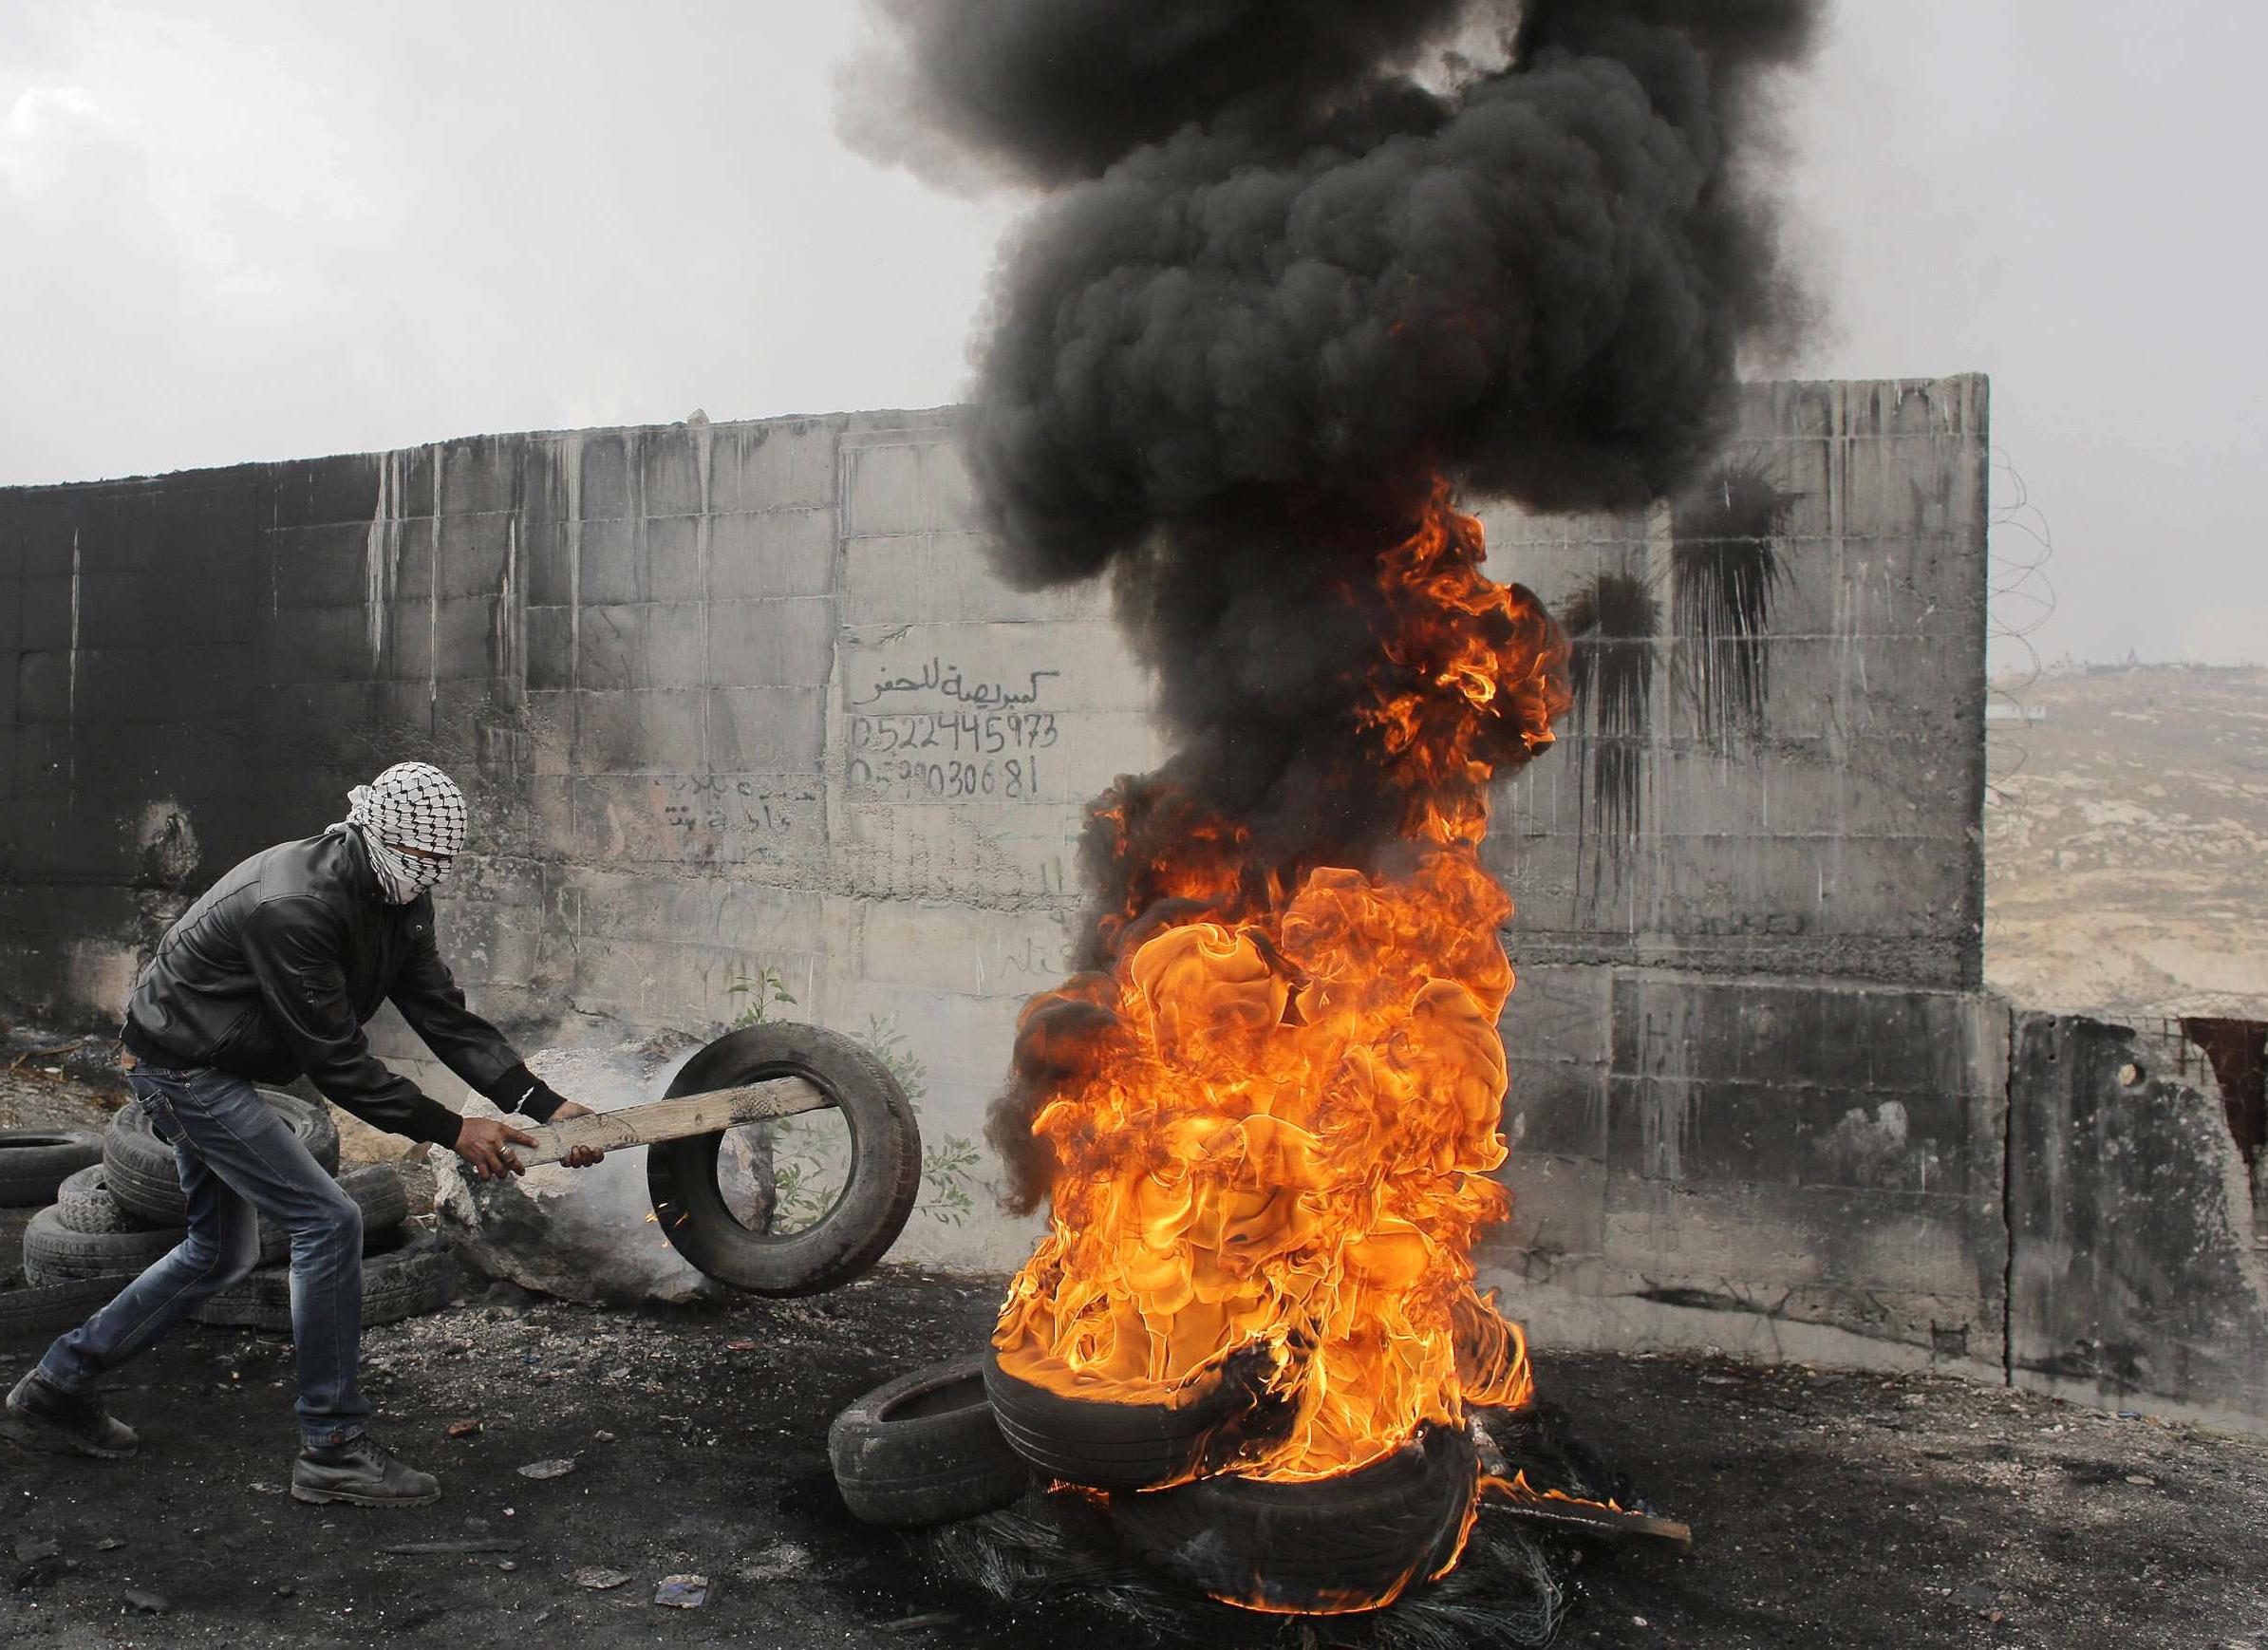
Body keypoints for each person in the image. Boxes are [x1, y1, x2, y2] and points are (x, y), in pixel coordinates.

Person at [2, 761, 604, 1507]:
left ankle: (55, 1390)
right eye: (422, 866)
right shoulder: (293, 905)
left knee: (221, 1251)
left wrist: (544, 1104)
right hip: (183, 1067)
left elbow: (440, 1013)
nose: (431, 881)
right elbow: (338, 1064)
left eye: (439, 869)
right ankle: (333, 1447)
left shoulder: (398, 895)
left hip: (224, 1057)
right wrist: (454, 1129)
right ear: (379, 838)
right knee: (328, 1220)